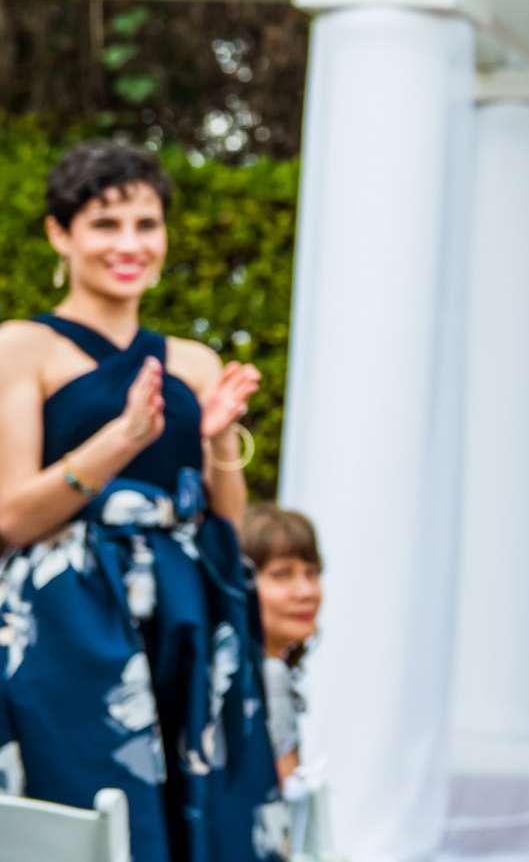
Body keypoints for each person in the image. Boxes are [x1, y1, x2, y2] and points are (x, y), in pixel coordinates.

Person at [0, 141, 287, 861]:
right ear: (60, 234)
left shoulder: (193, 360)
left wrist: (219, 441)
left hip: (187, 613)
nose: (129, 244)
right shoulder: (22, 347)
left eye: (146, 223)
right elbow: (10, 515)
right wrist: (121, 441)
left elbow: (224, 521)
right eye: (106, 224)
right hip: (70, 621)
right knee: (88, 805)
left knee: (203, 814)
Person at [242, 504, 323, 787]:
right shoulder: (269, 675)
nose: (306, 592)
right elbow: (284, 807)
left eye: (312, 573)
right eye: (281, 574)